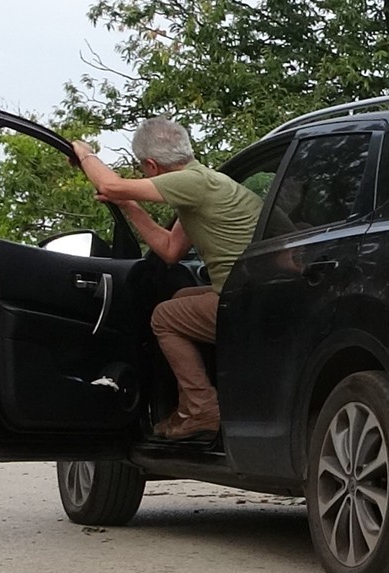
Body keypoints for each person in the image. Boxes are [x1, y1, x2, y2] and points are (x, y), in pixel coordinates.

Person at [72, 117, 263, 440]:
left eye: (143, 169)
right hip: (250, 292)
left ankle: (201, 409)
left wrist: (84, 154)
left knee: (164, 317)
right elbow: (171, 250)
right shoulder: (205, 184)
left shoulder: (190, 182)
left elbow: (109, 185)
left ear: (151, 164)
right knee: (178, 301)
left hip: (244, 301)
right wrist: (130, 206)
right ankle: (197, 400)